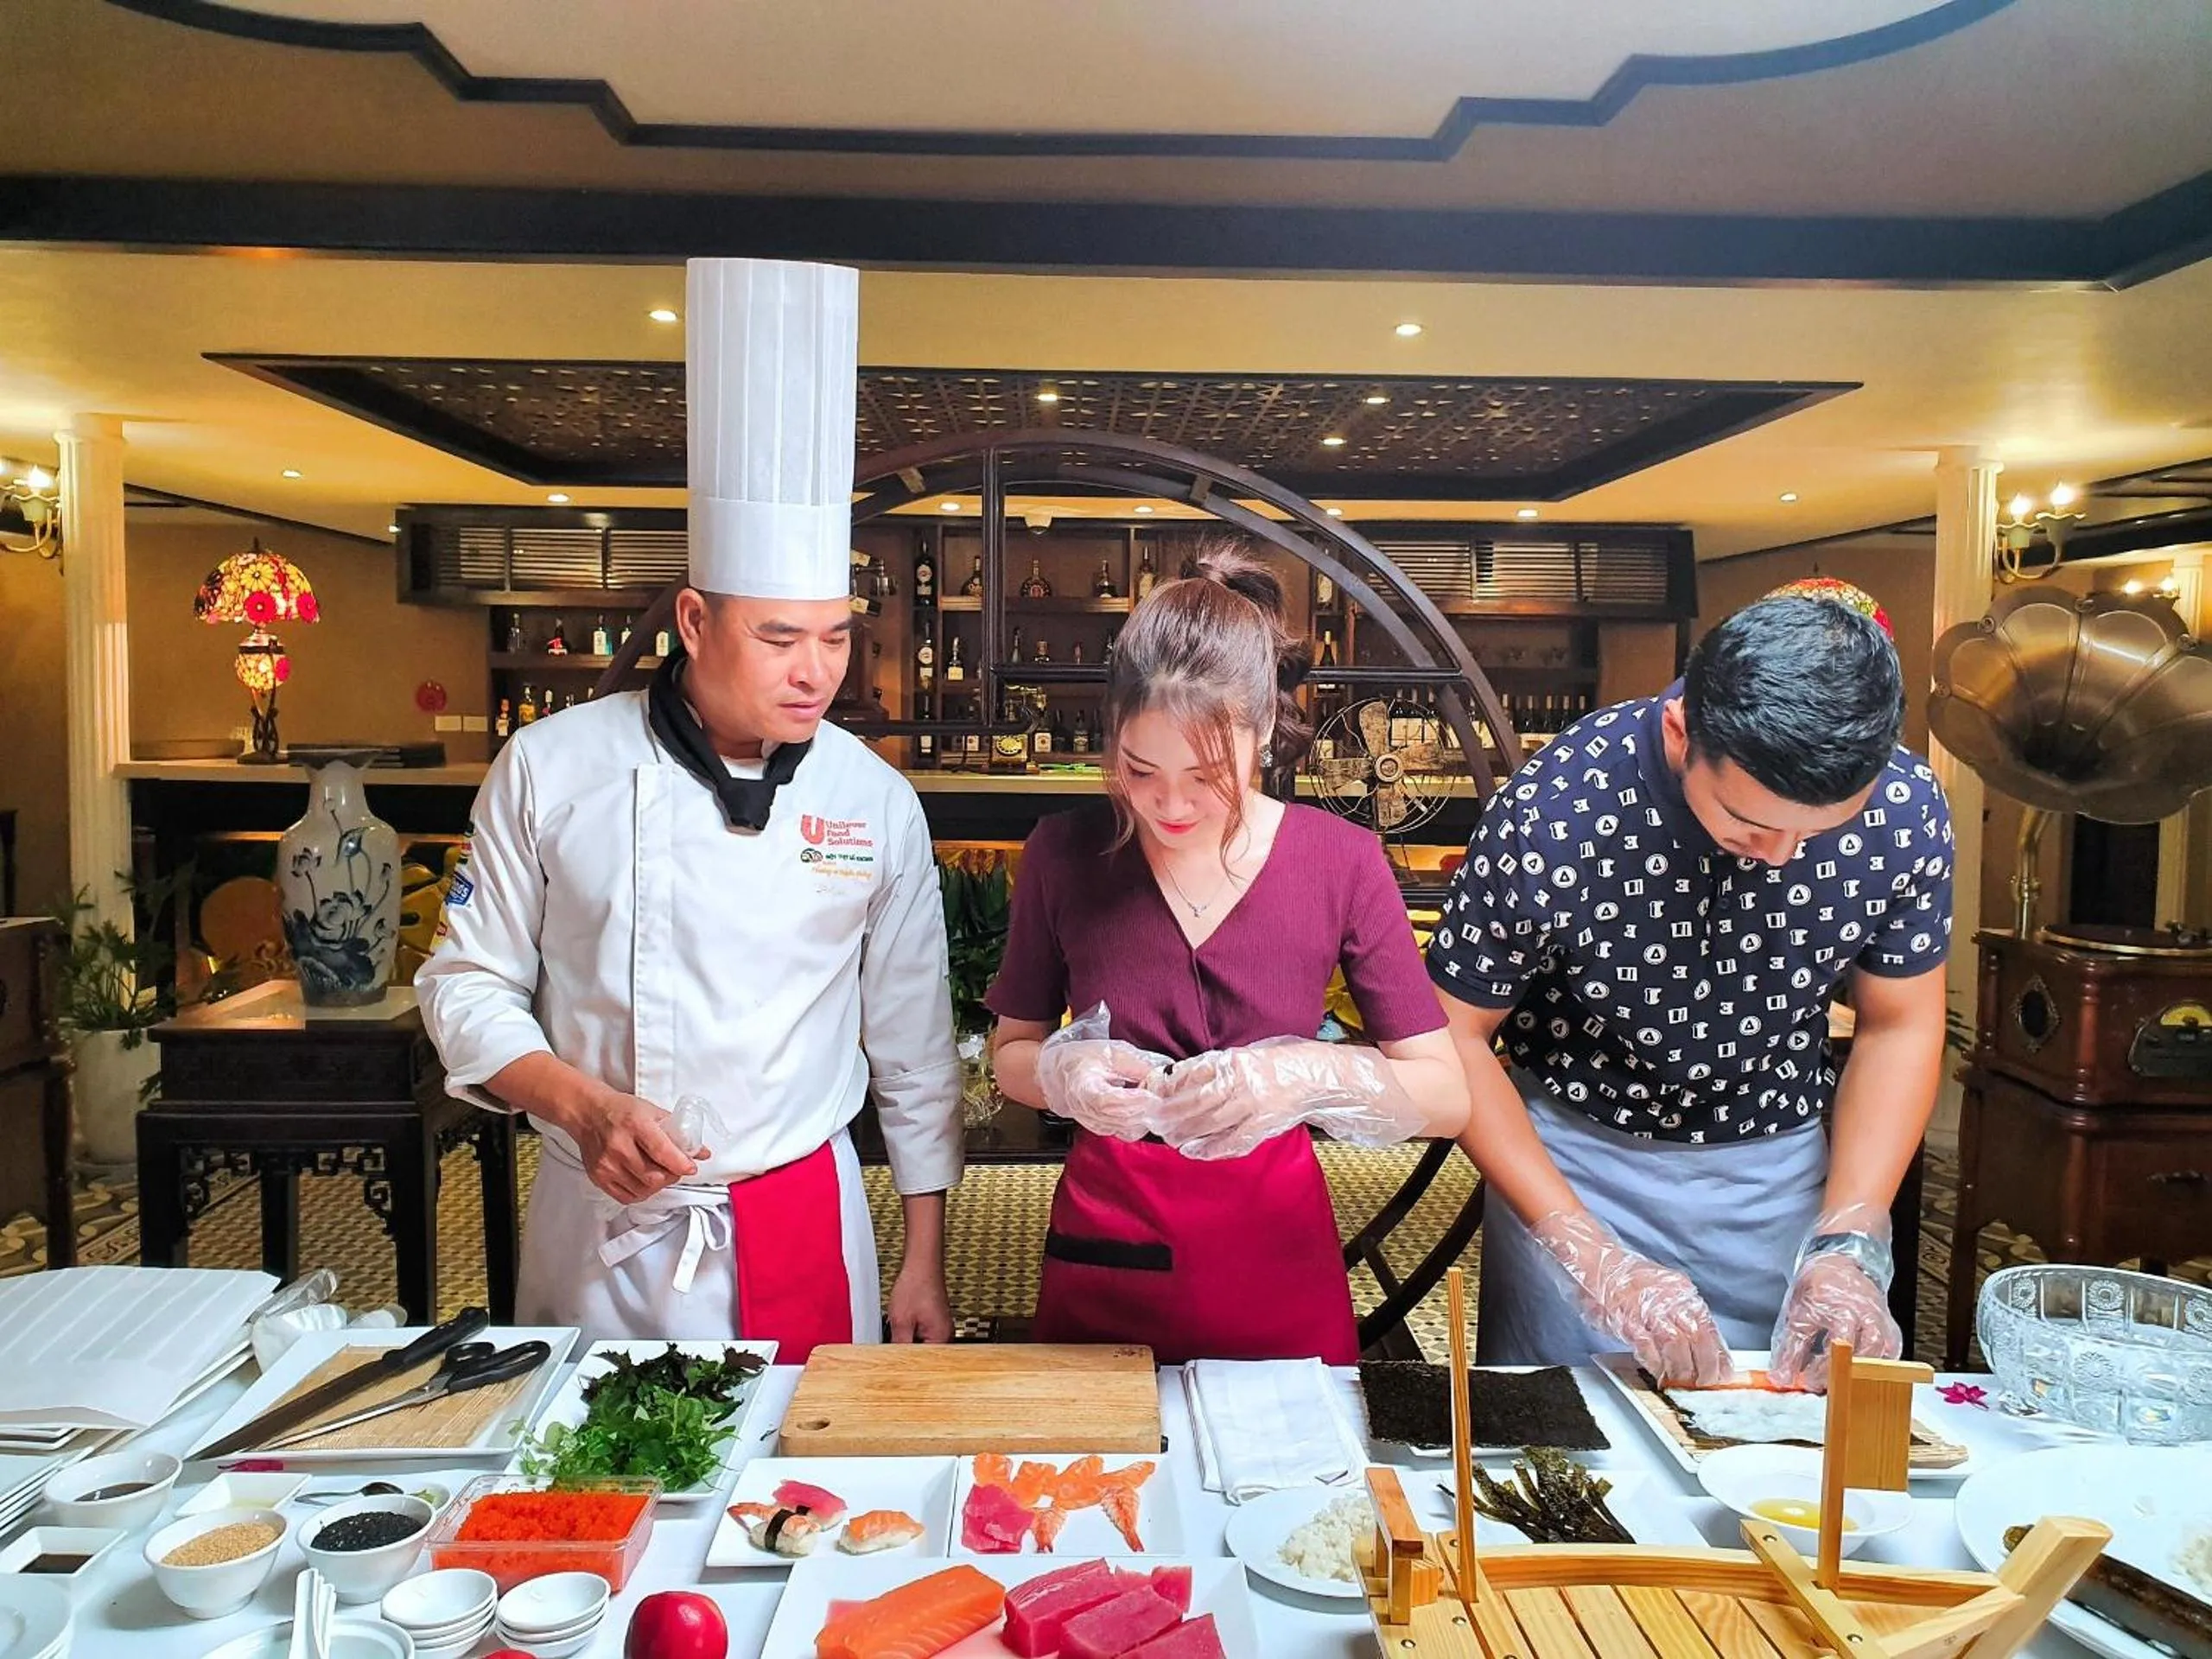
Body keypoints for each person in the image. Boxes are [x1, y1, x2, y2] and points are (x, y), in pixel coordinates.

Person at [417, 258, 962, 1355]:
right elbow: (463, 985)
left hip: (801, 1216)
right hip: (600, 1219)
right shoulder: (550, 767)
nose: (817, 672)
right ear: (695, 620)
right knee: (592, 1495)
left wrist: (922, 1262)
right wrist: (579, 1105)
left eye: (836, 636)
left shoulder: (874, 798)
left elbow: (912, 1049)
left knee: (798, 1507)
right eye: (778, 637)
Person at [1428, 587, 1950, 1390]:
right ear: (1681, 730)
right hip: (1575, 1165)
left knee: (1777, 1452)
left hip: (1780, 1171)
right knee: (1565, 1448)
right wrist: (1585, 1248)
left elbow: (1898, 1026)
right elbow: (1453, 1034)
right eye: (1749, 823)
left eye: (1816, 833)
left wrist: (1849, 1235)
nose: (1779, 857)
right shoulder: (1559, 807)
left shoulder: (1905, 812)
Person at [985, 550, 1469, 1364]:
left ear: (1264, 733)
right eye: (1139, 771)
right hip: (1109, 1247)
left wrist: (1301, 1076)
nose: (1171, 805)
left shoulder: (1341, 860)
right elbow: (1012, 1055)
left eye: (1208, 776)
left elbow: (1446, 1097)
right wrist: (1061, 1076)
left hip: (1275, 1248)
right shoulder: (1064, 855)